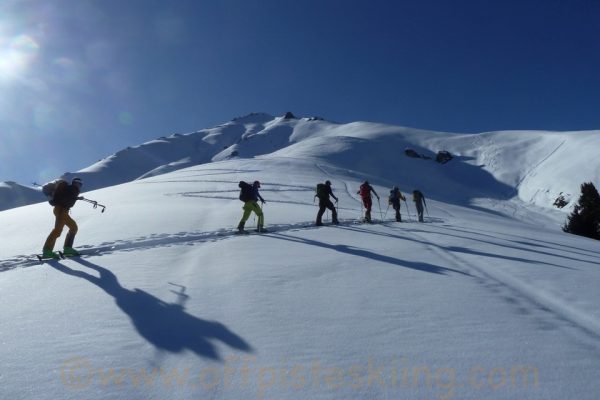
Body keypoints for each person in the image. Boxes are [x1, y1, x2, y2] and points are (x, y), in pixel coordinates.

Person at [42, 177, 83, 258]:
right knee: (66, 229)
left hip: (61, 210)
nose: (80, 185)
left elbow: (66, 197)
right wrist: (75, 197)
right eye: (79, 183)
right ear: (75, 183)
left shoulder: (70, 189)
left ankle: (65, 249)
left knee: (71, 228)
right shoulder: (73, 189)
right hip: (62, 211)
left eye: (81, 184)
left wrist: (77, 198)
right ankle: (49, 251)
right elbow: (66, 199)